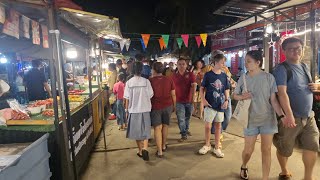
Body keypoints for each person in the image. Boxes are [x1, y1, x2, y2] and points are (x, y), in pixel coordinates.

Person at [233, 50, 285, 180]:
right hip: (250, 119)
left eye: (248, 61)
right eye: (245, 61)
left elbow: (273, 100)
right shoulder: (243, 78)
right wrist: (242, 96)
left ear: (258, 63)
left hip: (268, 119)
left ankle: (265, 178)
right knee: (248, 150)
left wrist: (282, 116)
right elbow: (234, 95)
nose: (246, 64)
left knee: (266, 150)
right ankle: (244, 165)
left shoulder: (269, 78)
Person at [272, 37, 319, 180]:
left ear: (303, 49)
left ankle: (308, 177)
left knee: (312, 146)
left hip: (308, 116)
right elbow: (282, 93)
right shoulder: (281, 69)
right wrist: (288, 115)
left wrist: (316, 86)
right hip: (290, 118)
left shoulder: (304, 66)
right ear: (284, 51)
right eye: (291, 48)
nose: (295, 51)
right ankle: (284, 171)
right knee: (284, 148)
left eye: (298, 47)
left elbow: (308, 87)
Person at [198, 54, 230, 158]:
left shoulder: (224, 75)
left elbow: (226, 89)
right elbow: (202, 88)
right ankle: (207, 144)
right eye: (222, 62)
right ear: (216, 62)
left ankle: (217, 147)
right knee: (208, 126)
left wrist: (226, 100)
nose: (223, 64)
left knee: (218, 126)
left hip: (220, 105)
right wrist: (203, 100)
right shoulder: (208, 75)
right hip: (209, 104)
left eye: (224, 62)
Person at [124, 61, 154, 161]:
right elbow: (150, 95)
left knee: (137, 132)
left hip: (134, 110)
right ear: (142, 70)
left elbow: (127, 98)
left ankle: (140, 150)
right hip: (145, 108)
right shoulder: (146, 82)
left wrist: (126, 111)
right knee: (145, 130)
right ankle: (145, 147)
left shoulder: (129, 83)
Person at [150, 62, 176, 158]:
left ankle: (160, 151)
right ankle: (164, 145)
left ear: (153, 70)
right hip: (168, 105)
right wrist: (174, 106)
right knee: (165, 126)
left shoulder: (150, 81)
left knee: (157, 128)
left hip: (155, 106)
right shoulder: (169, 80)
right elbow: (173, 94)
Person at [172, 58, 197, 142]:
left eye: (183, 64)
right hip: (179, 100)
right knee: (180, 118)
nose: (181, 66)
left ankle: (186, 129)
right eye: (179, 64)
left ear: (186, 65)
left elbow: (194, 86)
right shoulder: (174, 76)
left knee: (188, 117)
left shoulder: (190, 74)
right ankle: (183, 133)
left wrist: (193, 98)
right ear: (177, 65)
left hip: (189, 100)